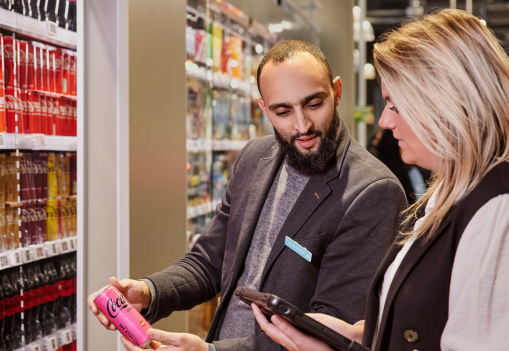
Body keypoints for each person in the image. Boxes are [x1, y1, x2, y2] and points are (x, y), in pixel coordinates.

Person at [253, 9, 509, 351]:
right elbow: (430, 317)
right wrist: (357, 335)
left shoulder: (508, 209)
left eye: (395, 105)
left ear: (447, 104)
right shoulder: (452, 190)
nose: (384, 121)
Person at [88, 40, 407, 351]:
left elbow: (330, 332)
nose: (302, 125)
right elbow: (210, 260)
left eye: (314, 104)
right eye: (283, 111)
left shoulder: (372, 192)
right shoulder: (255, 157)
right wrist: (148, 291)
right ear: (264, 109)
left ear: (336, 92)